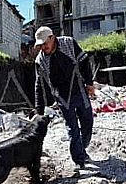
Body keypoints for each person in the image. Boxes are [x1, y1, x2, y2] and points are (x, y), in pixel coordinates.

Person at [33, 26, 94, 169]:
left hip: (79, 90)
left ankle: (81, 149)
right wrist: (38, 111)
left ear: (52, 37)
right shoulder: (39, 61)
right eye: (40, 45)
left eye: (45, 43)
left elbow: (84, 62)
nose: (43, 47)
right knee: (73, 129)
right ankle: (79, 161)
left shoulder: (68, 43)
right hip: (61, 97)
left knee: (88, 122)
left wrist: (89, 83)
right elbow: (39, 86)